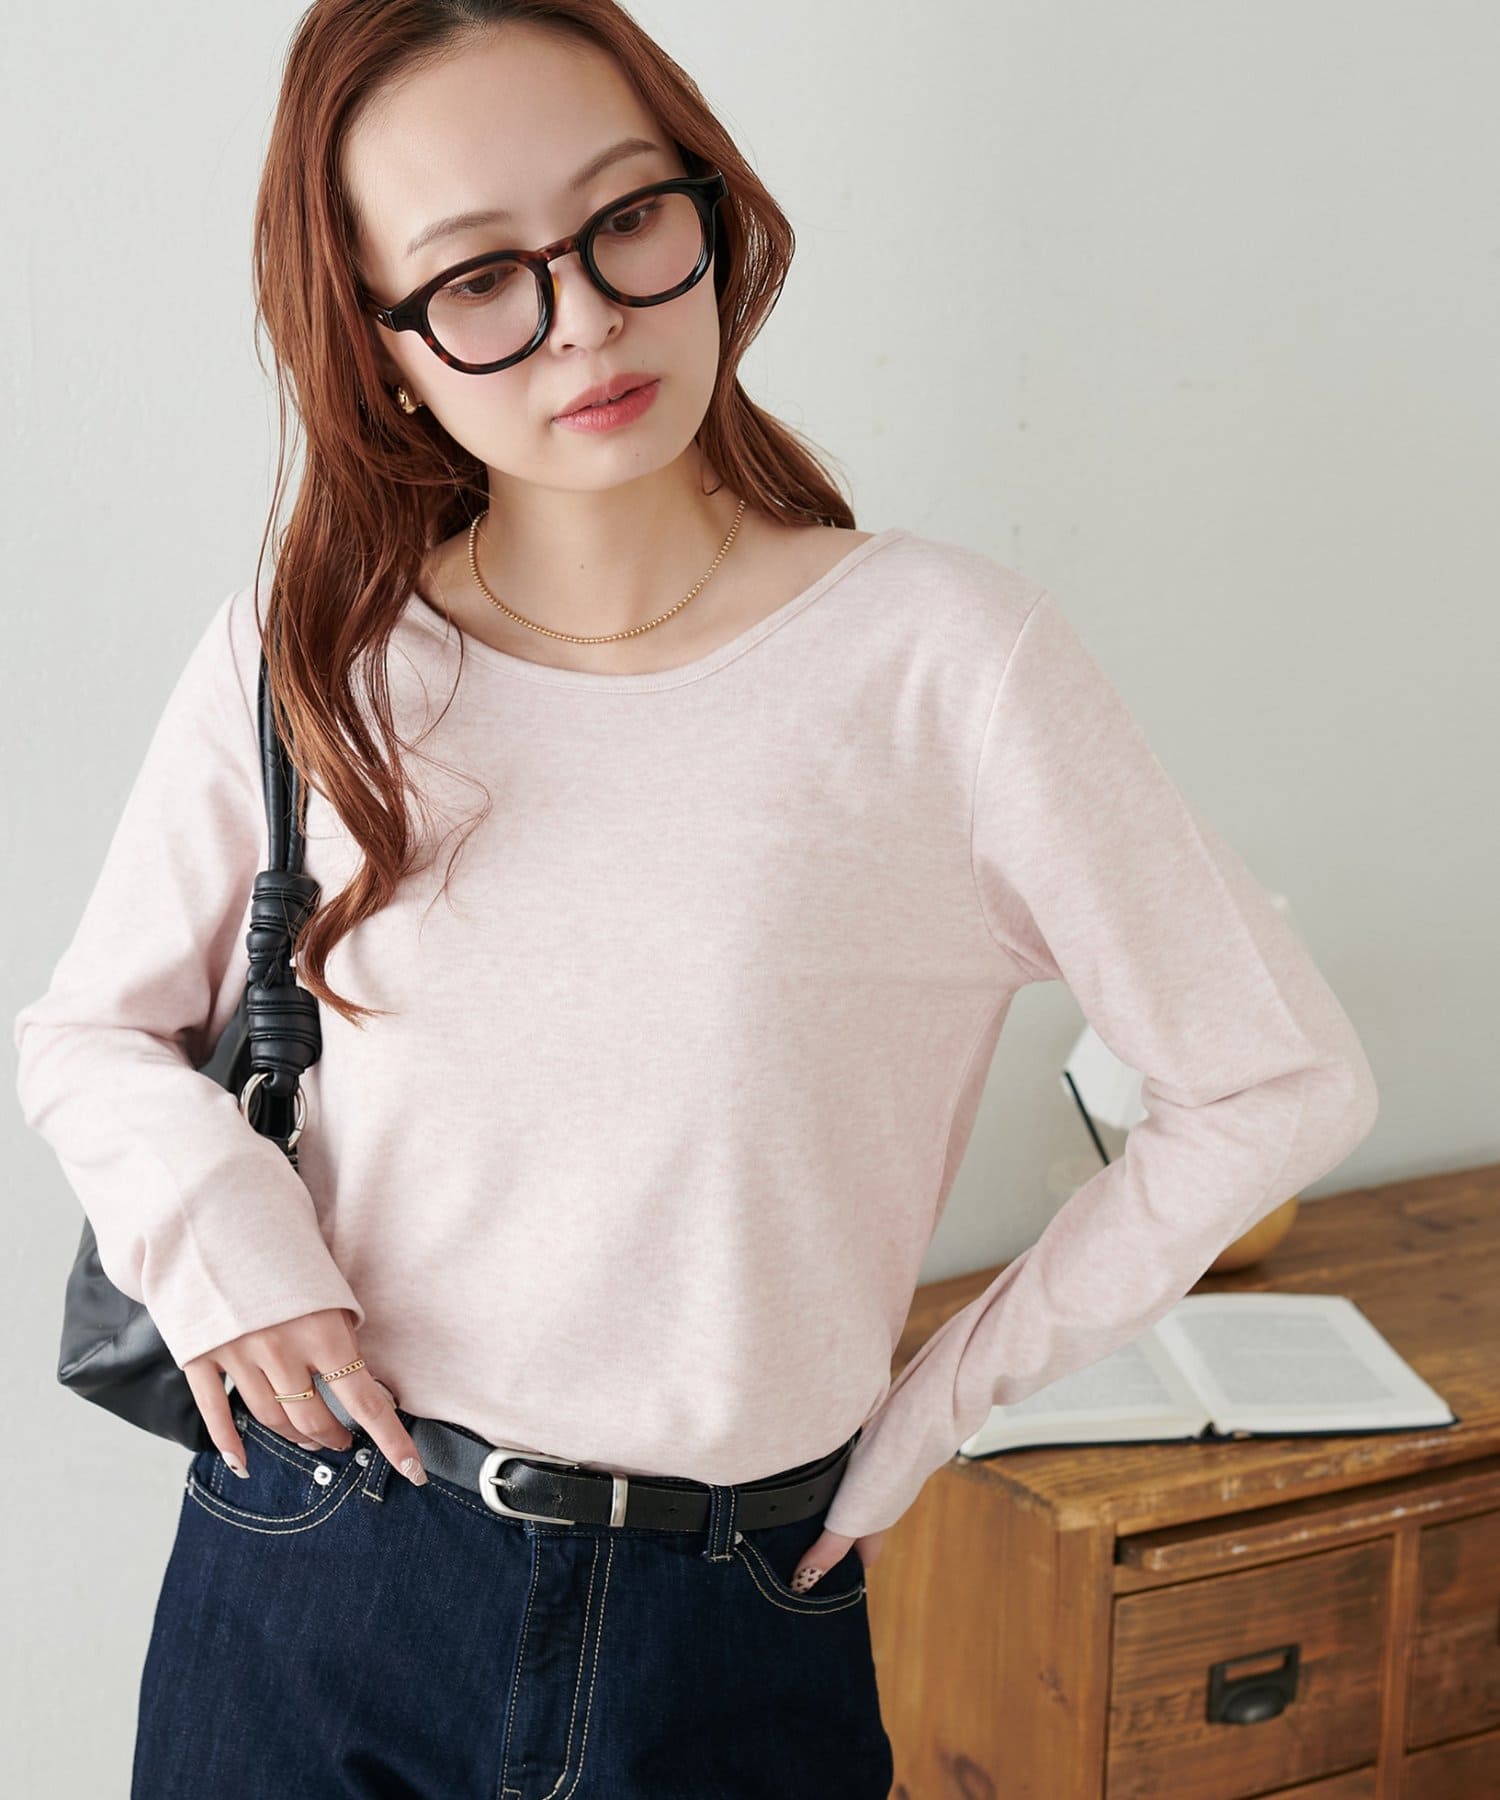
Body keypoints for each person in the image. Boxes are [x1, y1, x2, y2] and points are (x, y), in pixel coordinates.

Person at [10, 2, 1379, 1796]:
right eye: (477, 279)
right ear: (378, 345)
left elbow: (1275, 1079)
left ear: (711, 209)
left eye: (626, 220)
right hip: (322, 1562)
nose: (583, 317)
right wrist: (223, 1251)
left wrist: (940, 1402)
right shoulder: (313, 654)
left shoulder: (945, 663)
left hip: (732, 1613)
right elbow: (91, 1036)